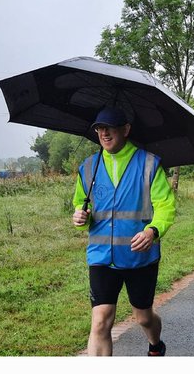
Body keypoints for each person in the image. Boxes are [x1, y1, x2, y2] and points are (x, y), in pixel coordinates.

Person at [72, 107, 175, 357]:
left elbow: (166, 207)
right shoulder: (89, 168)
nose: (104, 133)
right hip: (101, 256)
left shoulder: (149, 164)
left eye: (110, 127)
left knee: (143, 317)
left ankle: (155, 344)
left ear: (126, 129)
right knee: (100, 321)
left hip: (139, 257)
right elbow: (79, 204)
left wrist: (152, 231)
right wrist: (80, 216)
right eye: (99, 128)